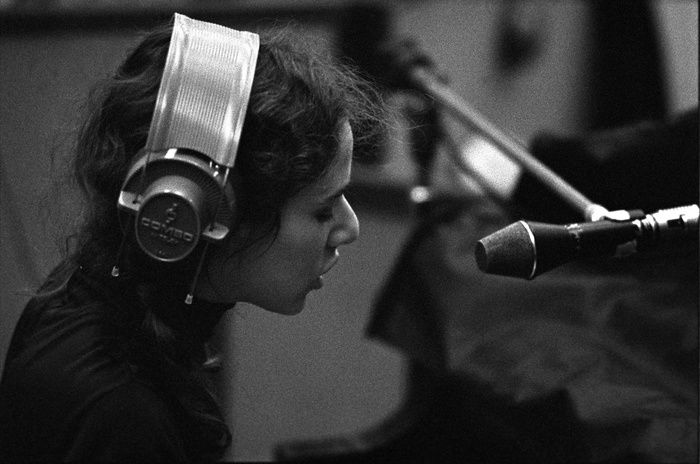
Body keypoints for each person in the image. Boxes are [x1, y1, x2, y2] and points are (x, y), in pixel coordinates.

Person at [0, 14, 387, 462]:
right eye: (323, 209)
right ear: (203, 211)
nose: (349, 229)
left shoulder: (86, 293)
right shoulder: (126, 417)